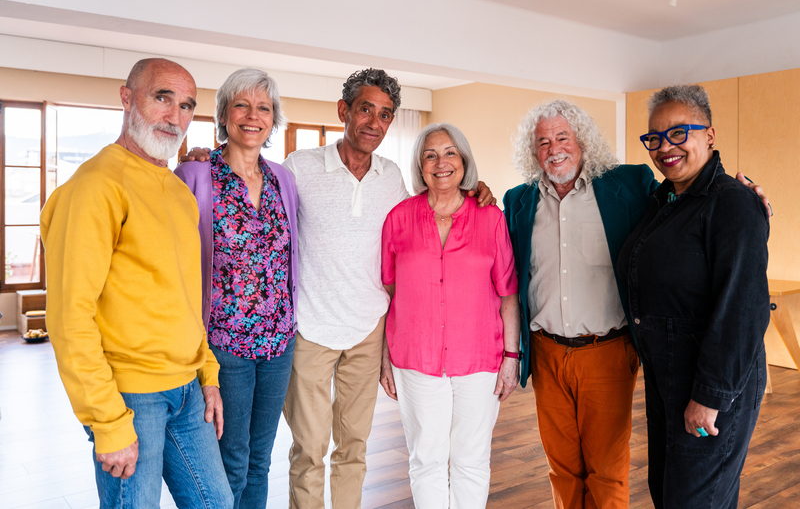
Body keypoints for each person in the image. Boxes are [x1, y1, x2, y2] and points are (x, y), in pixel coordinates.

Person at [182, 68, 495, 508]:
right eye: (365, 109)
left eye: (385, 114)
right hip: (309, 329)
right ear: (343, 110)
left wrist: (474, 189)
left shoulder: (392, 178)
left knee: (353, 449)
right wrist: (204, 157)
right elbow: (246, 175)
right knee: (309, 450)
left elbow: (435, 204)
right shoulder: (298, 169)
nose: (374, 122)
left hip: (367, 330)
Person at [503, 100, 770, 509]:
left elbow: (694, 197)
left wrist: (748, 199)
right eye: (542, 142)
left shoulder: (629, 185)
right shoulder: (517, 202)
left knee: (607, 470)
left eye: (563, 137)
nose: (554, 149)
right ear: (532, 151)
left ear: (582, 141)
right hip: (546, 353)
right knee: (563, 469)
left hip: (606, 351)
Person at [40, 58, 233, 508]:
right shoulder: (95, 186)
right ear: (127, 98)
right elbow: (69, 317)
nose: (175, 116)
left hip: (187, 391)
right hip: (130, 396)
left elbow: (185, 298)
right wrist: (107, 421)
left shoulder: (178, 192)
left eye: (186, 105)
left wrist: (207, 374)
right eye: (162, 97)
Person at [617, 84, 769, 509]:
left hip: (709, 381)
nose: (665, 147)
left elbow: (743, 310)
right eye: (654, 138)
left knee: (694, 500)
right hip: (667, 377)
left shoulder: (733, 202)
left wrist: (710, 397)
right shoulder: (664, 200)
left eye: (679, 133)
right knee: (669, 493)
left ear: (710, 135)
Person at [174, 68, 299, 509]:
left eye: (263, 108)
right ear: (224, 114)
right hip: (224, 343)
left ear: (273, 119)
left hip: (280, 341)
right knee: (231, 459)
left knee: (260, 460)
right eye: (241, 105)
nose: (252, 116)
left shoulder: (283, 179)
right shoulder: (194, 174)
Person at [379, 123, 520, 508]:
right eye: (430, 155)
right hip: (415, 359)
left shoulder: (491, 217)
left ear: (464, 161)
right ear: (420, 166)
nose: (441, 163)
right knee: (426, 460)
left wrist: (512, 358)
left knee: (471, 460)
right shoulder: (398, 218)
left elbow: (508, 295)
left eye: (449, 153)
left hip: (479, 360)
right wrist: (384, 357)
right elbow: (388, 293)